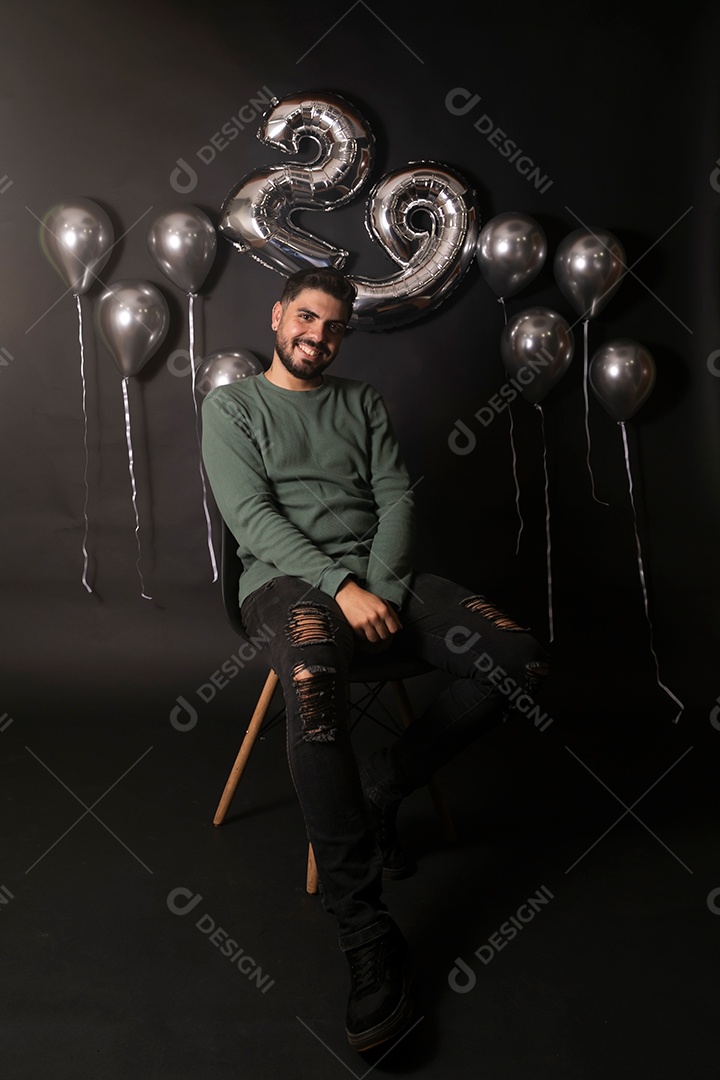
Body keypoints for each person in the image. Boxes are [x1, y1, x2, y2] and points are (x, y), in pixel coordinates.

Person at [201, 266, 548, 1053]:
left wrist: (378, 589)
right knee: (317, 686)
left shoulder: (360, 403)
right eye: (307, 319)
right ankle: (365, 930)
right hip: (289, 583)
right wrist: (339, 587)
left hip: (381, 580)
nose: (317, 337)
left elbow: (396, 497)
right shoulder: (233, 406)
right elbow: (251, 519)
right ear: (278, 315)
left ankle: (389, 782)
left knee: (518, 661)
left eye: (333, 327)